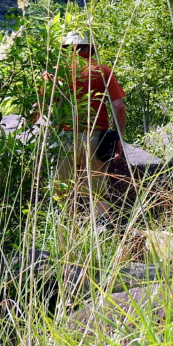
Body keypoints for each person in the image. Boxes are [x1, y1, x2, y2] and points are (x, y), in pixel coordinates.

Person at [40, 32, 126, 214]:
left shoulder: (54, 73)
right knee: (97, 192)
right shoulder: (102, 70)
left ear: (64, 49)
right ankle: (102, 232)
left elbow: (41, 108)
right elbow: (118, 107)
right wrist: (117, 137)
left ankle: (67, 235)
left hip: (62, 137)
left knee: (62, 192)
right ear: (89, 48)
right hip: (96, 137)